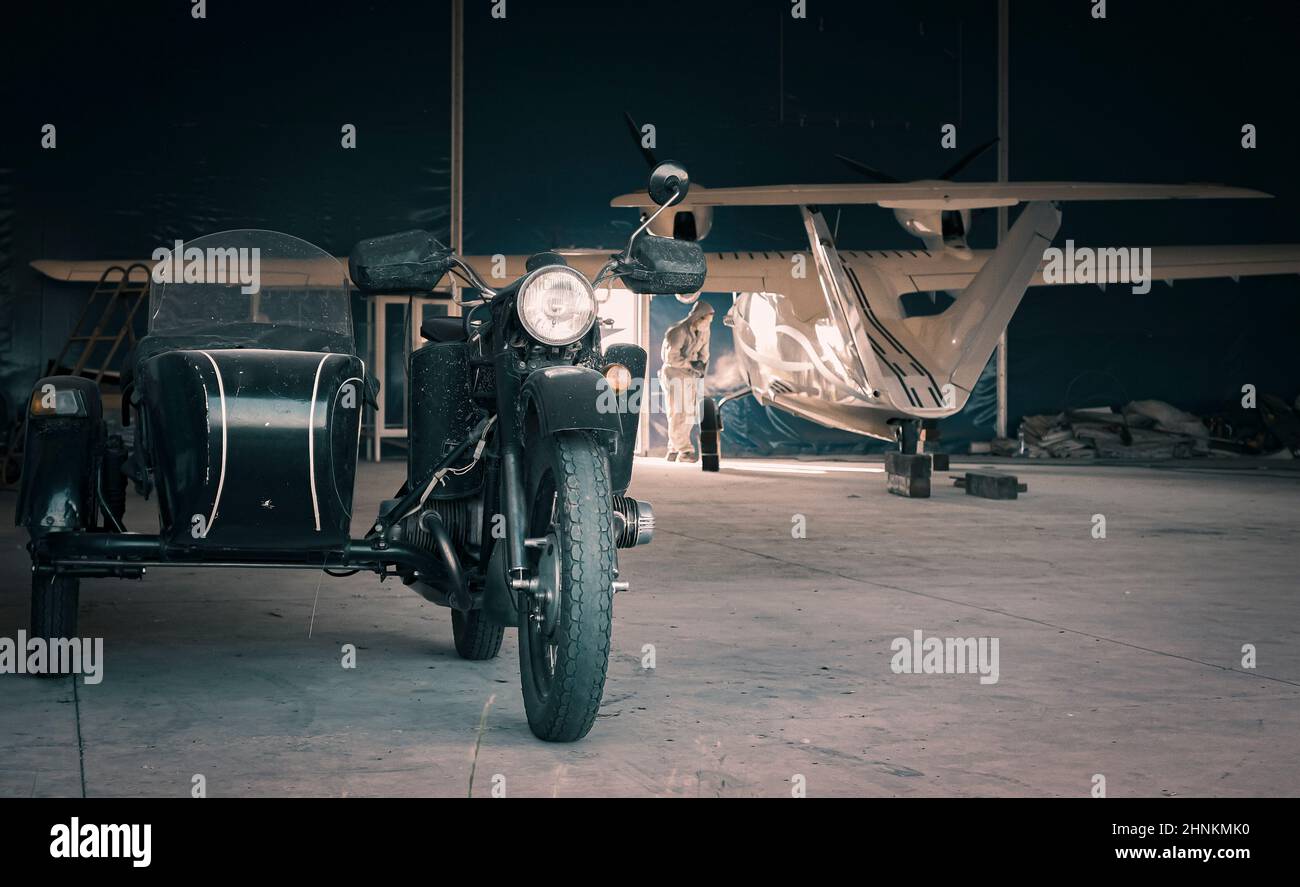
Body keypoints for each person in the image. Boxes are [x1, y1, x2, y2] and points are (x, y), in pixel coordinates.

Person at [659, 301, 714, 462]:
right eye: (706, 320)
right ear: (698, 317)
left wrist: (702, 366)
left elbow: (705, 352)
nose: (707, 324)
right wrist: (691, 364)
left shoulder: (704, 331)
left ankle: (673, 449)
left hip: (689, 374)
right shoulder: (678, 331)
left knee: (688, 413)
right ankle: (685, 451)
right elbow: (670, 358)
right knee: (679, 412)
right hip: (674, 373)